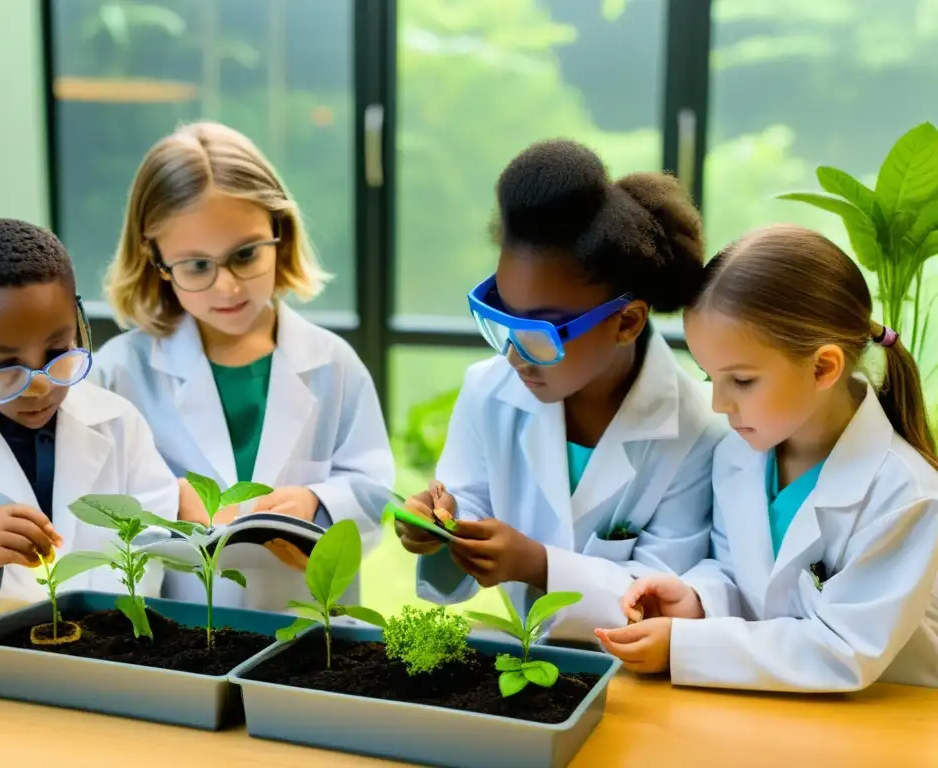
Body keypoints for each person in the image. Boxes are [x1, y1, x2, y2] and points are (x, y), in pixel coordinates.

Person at [396, 138, 726, 638]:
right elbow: (470, 499)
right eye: (502, 317)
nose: (512, 355)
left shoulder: (696, 430)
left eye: (541, 332)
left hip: (635, 678)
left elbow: (661, 599)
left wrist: (538, 565)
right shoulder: (488, 389)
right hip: (515, 656)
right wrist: (443, 527)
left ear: (627, 322)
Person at [595, 224, 938, 691]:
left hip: (888, 722)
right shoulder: (740, 451)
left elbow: (842, 650)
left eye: (741, 381)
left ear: (823, 367)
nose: (718, 404)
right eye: (709, 376)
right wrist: (696, 601)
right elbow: (740, 575)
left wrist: (684, 647)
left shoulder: (906, 494)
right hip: (773, 711)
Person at [92, 121, 394, 611]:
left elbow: (373, 487)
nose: (227, 287)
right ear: (155, 261)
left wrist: (317, 504)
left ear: (281, 232)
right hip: (178, 624)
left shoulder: (333, 364)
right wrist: (165, 497)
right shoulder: (120, 372)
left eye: (246, 255)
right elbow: (91, 504)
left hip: (312, 622)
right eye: (196, 266)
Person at [0, 219, 180, 630]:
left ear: (78, 323)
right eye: (4, 368)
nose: (38, 386)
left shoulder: (118, 422)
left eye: (58, 351)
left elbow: (152, 540)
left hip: (102, 650)